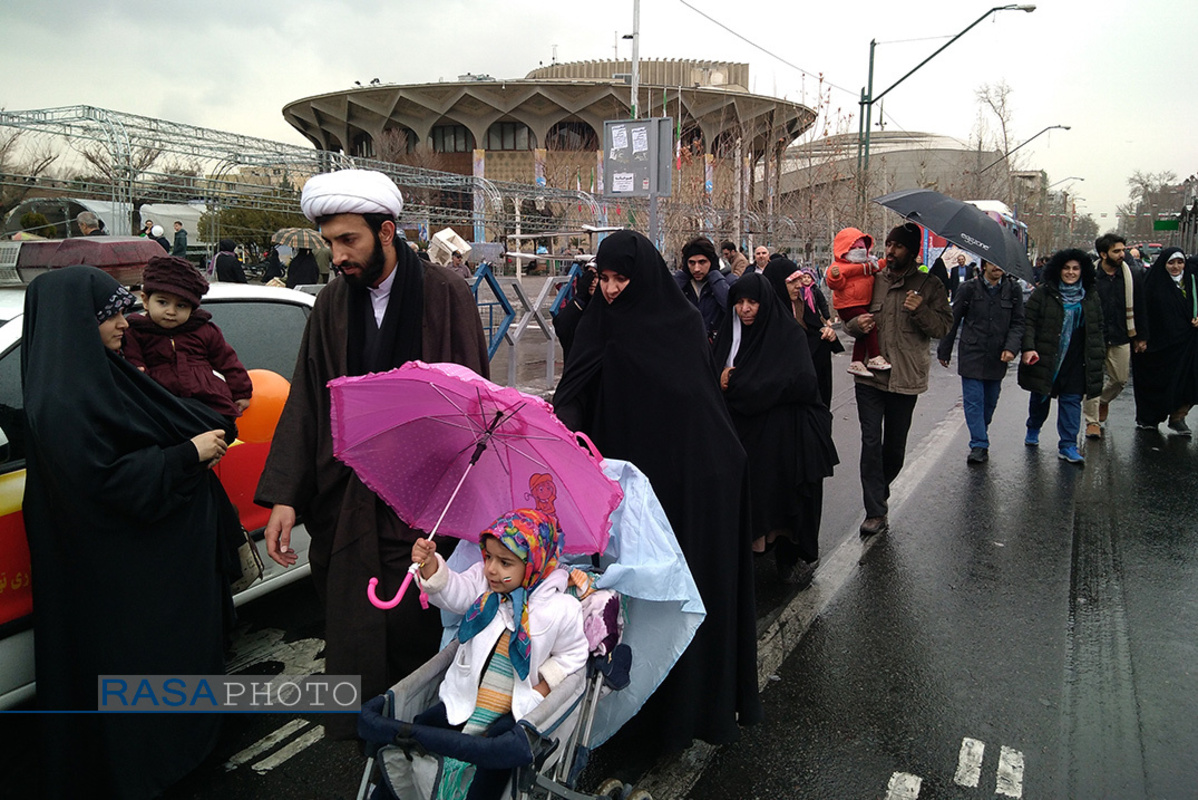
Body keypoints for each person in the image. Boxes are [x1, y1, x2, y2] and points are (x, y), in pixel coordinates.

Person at [255, 168, 489, 738]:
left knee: (419, 645)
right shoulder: (333, 303)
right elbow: (308, 399)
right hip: (351, 504)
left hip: (423, 507)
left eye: (348, 240)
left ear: (386, 232)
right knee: (358, 640)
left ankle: (424, 744)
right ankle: (373, 747)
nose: (337, 256)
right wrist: (284, 496)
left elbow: (473, 405)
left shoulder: (444, 294)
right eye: (330, 242)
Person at [21, 265, 231, 797]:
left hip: (141, 571)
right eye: (111, 314)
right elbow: (103, 483)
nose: (125, 323)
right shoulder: (64, 398)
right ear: (77, 322)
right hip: (120, 581)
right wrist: (189, 452)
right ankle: (153, 764)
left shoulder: (100, 374)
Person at [552, 229, 762, 750]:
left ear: (642, 276)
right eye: (604, 277)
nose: (612, 289)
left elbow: (696, 407)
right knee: (618, 609)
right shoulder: (595, 326)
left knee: (668, 601)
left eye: (622, 277)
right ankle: (622, 718)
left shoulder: (683, 324)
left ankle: (680, 715)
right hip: (616, 494)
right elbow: (573, 397)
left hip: (678, 486)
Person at [410, 508, 587, 799]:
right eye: (488, 556)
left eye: (505, 562)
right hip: (464, 695)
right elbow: (454, 591)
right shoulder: (483, 584)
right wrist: (430, 567)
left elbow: (574, 655)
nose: (491, 569)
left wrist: (542, 689)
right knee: (419, 732)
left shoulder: (561, 609)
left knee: (498, 758)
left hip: (514, 708)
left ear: (534, 564)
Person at [712, 272, 837, 588]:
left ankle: (786, 560)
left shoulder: (788, 336)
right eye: (739, 303)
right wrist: (721, 379)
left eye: (752, 301)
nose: (745, 309)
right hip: (743, 435)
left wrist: (737, 382)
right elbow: (713, 378)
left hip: (783, 437)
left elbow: (802, 383)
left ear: (764, 302)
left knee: (782, 502)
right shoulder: (731, 335)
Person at [843, 223, 953, 536]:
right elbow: (846, 313)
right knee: (870, 442)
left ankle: (879, 490)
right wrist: (854, 324)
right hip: (869, 375)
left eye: (899, 246)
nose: (890, 251)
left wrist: (920, 311)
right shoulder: (871, 279)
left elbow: (943, 328)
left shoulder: (930, 286)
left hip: (905, 378)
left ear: (913, 250)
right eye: (888, 245)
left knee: (894, 451)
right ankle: (875, 510)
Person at [123, 256, 253, 424]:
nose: (171, 311)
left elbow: (228, 361)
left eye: (181, 306)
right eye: (163, 302)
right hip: (163, 403)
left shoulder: (203, 329)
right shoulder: (135, 332)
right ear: (146, 301)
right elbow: (135, 366)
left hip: (207, 401)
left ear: (193, 309)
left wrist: (241, 392)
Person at [1018, 249, 1104, 464]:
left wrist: (1098, 354)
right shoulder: (1043, 293)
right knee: (1040, 396)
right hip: (1046, 356)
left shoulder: (1090, 296)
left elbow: (1098, 327)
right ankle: (1033, 427)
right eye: (1066, 268)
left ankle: (1068, 445)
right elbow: (1028, 323)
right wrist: (1028, 348)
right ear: (1058, 270)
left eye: (1075, 268)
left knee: (1072, 400)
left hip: (1076, 358)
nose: (1071, 272)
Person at [937, 259, 1026, 463]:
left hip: (998, 354)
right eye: (992, 263)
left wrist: (1011, 347)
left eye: (1000, 263)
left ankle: (980, 432)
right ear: (984, 265)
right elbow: (954, 319)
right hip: (972, 352)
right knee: (973, 401)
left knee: (990, 402)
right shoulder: (968, 288)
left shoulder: (1013, 290)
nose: (997, 267)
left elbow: (1019, 322)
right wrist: (945, 350)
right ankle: (979, 444)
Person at [1082, 233, 1143, 440]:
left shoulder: (1131, 275)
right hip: (1094, 335)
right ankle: (1092, 422)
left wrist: (1141, 336)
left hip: (1122, 334)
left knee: (1120, 379)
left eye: (1123, 250)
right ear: (1103, 254)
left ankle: (1103, 401)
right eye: (1116, 251)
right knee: (1093, 379)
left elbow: (1140, 305)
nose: (1121, 255)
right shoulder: (1089, 276)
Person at [1131, 247, 1197, 434]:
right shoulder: (1152, 283)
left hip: (1187, 343)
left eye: (1180, 262)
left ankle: (1178, 417)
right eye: (1171, 263)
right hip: (1158, 345)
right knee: (1156, 383)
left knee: (1190, 381)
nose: (1176, 267)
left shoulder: (1192, 281)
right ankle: (1149, 418)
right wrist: (1141, 337)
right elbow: (1142, 311)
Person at [762, 258, 844, 408]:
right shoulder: (766, 315)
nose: (799, 286)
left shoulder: (798, 305)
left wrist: (826, 332)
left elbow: (811, 331)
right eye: (792, 282)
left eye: (799, 280)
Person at [824, 226, 891, 377]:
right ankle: (874, 356)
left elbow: (879, 265)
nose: (859, 250)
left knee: (863, 332)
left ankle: (857, 361)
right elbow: (835, 284)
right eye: (855, 247)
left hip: (861, 303)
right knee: (869, 324)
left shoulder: (869, 264)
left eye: (862, 247)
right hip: (848, 305)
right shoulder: (839, 267)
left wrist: (887, 261)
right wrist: (835, 277)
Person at [673, 235, 733, 340]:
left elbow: (730, 307)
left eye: (702, 262)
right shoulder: (683, 283)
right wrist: (681, 277)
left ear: (712, 261)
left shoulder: (728, 281)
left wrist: (715, 276)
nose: (696, 268)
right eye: (692, 263)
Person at [552, 259, 597, 362]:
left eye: (598, 276)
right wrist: (580, 297)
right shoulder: (581, 306)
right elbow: (561, 326)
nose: (592, 281)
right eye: (589, 276)